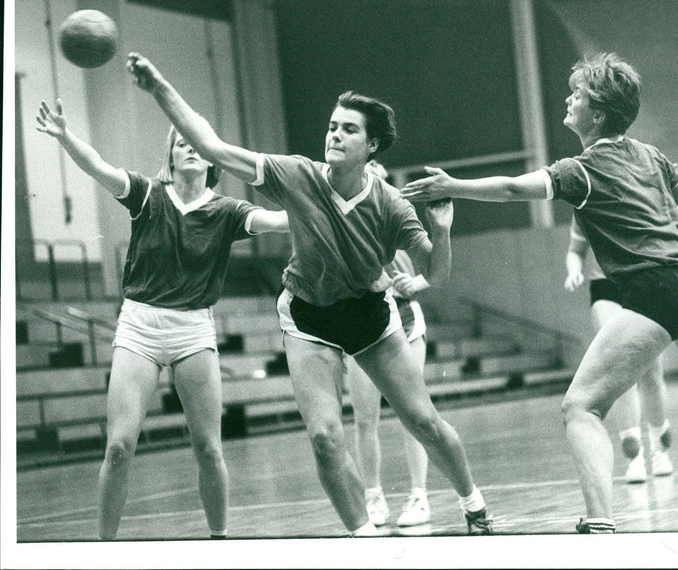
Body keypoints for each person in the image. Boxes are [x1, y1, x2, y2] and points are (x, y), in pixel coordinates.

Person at [402, 52, 678, 534]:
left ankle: (599, 526)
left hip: (654, 290)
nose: (567, 98)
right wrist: (661, 235)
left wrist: (453, 184)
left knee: (580, 407)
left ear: (596, 113)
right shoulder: (650, 154)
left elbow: (516, 190)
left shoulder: (582, 169)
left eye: (576, 94)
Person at [125, 53, 493, 536]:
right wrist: (158, 87)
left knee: (423, 421)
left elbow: (436, 274)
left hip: (368, 317)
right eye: (332, 126)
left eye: (348, 130)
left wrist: (441, 231)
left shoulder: (390, 205)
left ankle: (475, 506)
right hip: (308, 317)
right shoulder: (297, 174)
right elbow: (213, 148)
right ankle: (364, 540)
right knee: (323, 437)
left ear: (372, 145)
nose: (334, 135)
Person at [35, 99, 289, 540]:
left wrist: (324, 202)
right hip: (140, 327)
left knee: (209, 448)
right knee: (118, 447)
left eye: (197, 143)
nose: (190, 147)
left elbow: (277, 220)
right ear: (170, 156)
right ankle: (104, 550)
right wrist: (64, 135)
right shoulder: (147, 194)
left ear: (211, 159)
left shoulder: (228, 211)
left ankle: (220, 543)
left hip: (193, 330)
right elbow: (97, 166)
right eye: (180, 142)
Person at [346, 161, 433, 528]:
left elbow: (437, 264)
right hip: (360, 323)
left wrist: (420, 283)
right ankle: (373, 496)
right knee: (365, 417)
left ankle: (419, 496)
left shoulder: (399, 216)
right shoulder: (343, 223)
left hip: (406, 321)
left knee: (414, 414)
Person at [564, 217, 673, 484]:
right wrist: (574, 270)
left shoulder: (638, 192)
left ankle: (660, 448)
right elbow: (575, 250)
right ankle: (634, 456)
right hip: (606, 286)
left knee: (652, 371)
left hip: (646, 281)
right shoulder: (584, 204)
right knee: (623, 368)